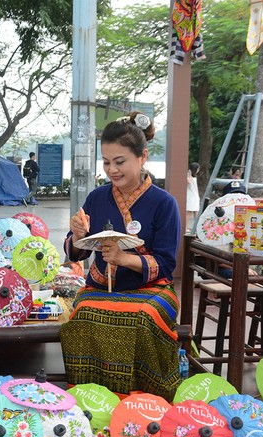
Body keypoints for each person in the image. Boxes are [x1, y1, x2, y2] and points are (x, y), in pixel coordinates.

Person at [60, 111, 182, 399]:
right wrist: (77, 236)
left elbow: (166, 263)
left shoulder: (164, 203)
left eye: (119, 162)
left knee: (144, 317)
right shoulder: (96, 198)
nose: (111, 170)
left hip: (151, 290)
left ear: (142, 157)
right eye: (106, 163)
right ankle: (90, 397)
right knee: (82, 313)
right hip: (101, 286)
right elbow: (75, 254)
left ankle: (146, 399)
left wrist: (125, 258)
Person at [186, 162, 200, 233]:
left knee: (196, 213)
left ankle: (197, 228)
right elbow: (188, 181)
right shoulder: (189, 176)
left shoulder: (194, 176)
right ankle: (185, 227)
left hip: (195, 196)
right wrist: (189, 172)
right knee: (189, 212)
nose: (198, 170)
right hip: (191, 197)